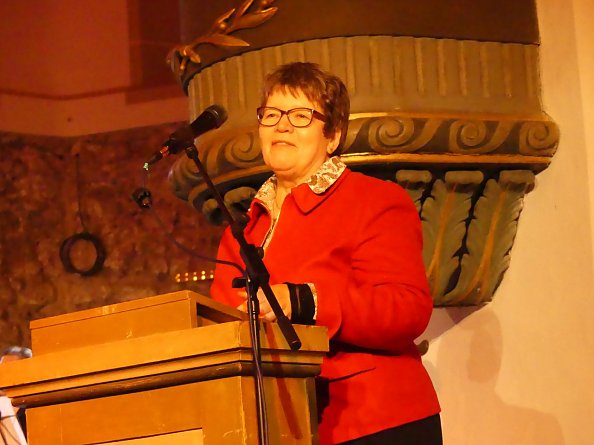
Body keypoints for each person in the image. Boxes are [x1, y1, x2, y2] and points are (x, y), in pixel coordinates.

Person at [210, 62, 441, 444]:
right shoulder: (240, 234)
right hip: (284, 427)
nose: (281, 126)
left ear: (332, 135)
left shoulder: (374, 201)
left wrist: (306, 301)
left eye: (300, 115)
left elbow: (405, 309)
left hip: (375, 422)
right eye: (271, 115)